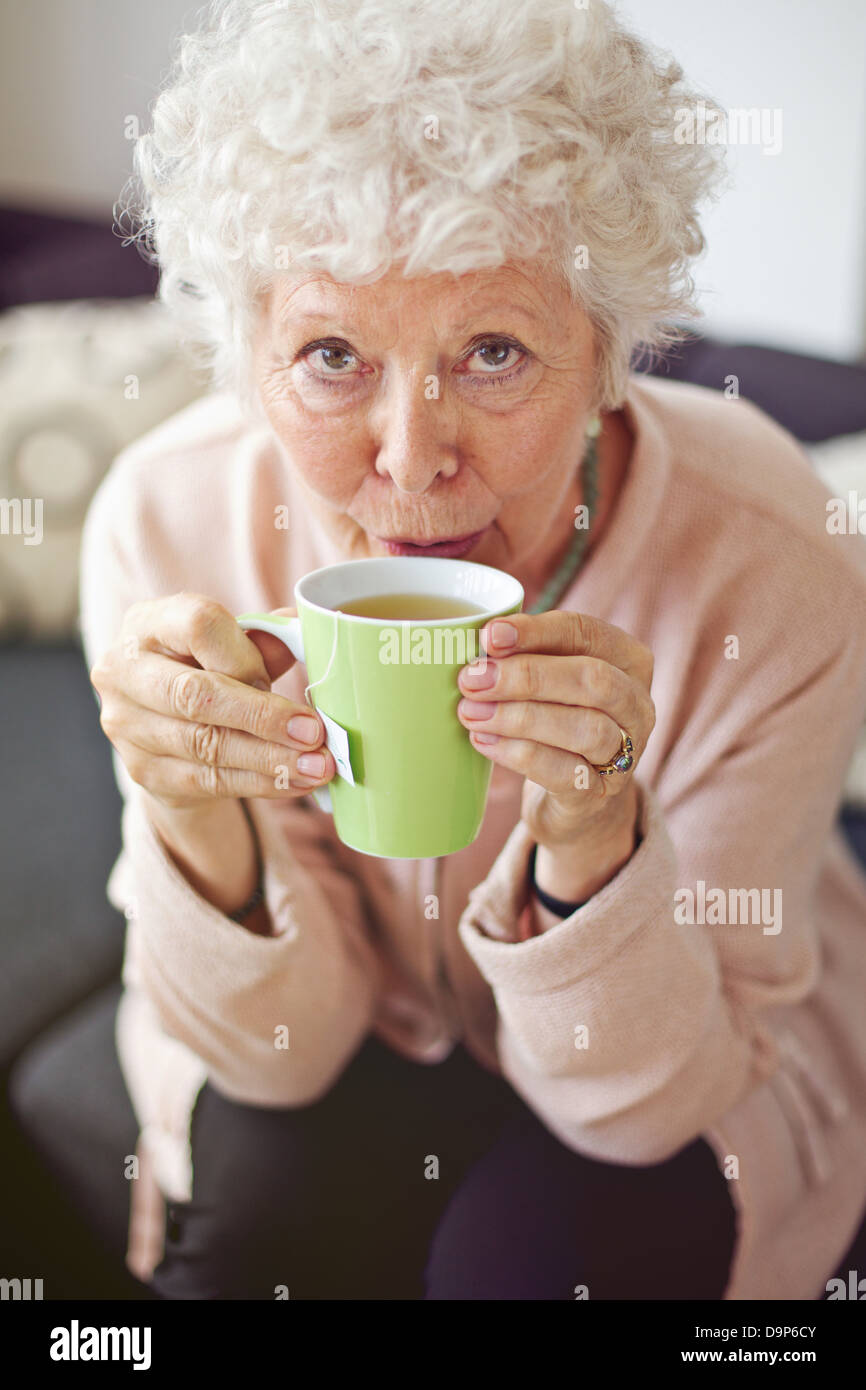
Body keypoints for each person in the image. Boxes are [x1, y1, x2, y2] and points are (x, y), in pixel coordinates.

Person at [76, 0, 866, 1299]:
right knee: (258, 1234)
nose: (409, 457)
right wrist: (193, 820)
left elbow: (638, 1107)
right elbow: (276, 1054)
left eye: (492, 351)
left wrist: (592, 847)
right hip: (336, 1014)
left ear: (608, 351)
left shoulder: (774, 560)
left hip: (684, 1052)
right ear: (248, 357)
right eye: (330, 355)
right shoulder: (162, 529)